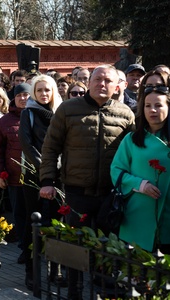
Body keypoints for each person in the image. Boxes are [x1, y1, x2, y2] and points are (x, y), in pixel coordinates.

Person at [39, 65, 136, 299]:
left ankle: (103, 292)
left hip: (110, 195)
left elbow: (134, 153)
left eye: (107, 80)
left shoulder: (125, 114)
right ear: (89, 82)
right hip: (77, 193)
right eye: (97, 79)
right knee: (75, 247)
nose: (102, 84)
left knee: (107, 248)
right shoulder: (68, 109)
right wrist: (47, 180)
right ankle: (74, 291)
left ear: (117, 86)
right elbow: (51, 146)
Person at [110, 70, 170, 254]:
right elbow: (116, 170)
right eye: (147, 105)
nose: (152, 110)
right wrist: (139, 184)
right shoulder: (132, 139)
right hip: (137, 214)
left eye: (158, 106)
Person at [19, 75, 63, 290]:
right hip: (34, 175)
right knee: (33, 222)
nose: (44, 94)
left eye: (48, 90)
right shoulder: (28, 113)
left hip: (60, 175)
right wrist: (46, 169)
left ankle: (55, 270)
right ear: (34, 93)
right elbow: (27, 144)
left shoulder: (61, 113)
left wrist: (58, 171)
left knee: (57, 222)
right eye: (39, 90)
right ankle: (32, 270)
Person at [0, 83, 29, 264]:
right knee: (20, 215)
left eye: (26, 95)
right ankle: (24, 248)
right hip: (15, 178)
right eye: (19, 95)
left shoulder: (40, 116)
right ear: (13, 98)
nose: (23, 98)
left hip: (38, 178)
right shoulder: (4, 121)